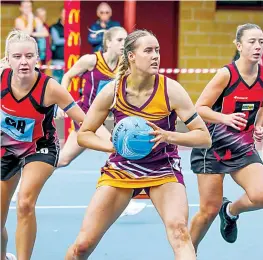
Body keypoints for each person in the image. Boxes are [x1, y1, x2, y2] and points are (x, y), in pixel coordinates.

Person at [65, 29, 211, 260]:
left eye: (158, 50)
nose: (156, 56)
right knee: (82, 246)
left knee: (180, 232)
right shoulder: (112, 91)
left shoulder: (171, 90)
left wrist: (168, 136)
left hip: (163, 168)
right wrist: (113, 147)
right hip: (122, 168)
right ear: (131, 56)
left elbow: (204, 137)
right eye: (148, 51)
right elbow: (84, 135)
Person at [0, 30, 85, 260]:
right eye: (17, 56)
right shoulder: (0, 80)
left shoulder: (51, 88)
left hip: (41, 148)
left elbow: (84, 120)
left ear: (38, 58)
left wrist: (110, 140)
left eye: (29, 56)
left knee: (25, 202)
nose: (24, 61)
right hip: (7, 147)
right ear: (8, 60)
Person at [57, 26, 147, 217]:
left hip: (103, 119)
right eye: (120, 40)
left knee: (63, 159)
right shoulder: (91, 60)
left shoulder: (123, 66)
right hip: (85, 114)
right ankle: (122, 199)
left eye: (126, 40)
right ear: (108, 43)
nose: (124, 44)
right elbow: (67, 76)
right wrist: (62, 103)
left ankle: (25, 172)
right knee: (116, 148)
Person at [190, 23, 263, 254]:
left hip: (241, 146)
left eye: (261, 42)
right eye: (252, 41)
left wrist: (259, 125)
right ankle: (187, 252)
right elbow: (199, 108)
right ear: (239, 45)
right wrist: (225, 118)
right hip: (212, 147)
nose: (258, 46)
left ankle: (230, 211)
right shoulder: (226, 75)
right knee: (208, 211)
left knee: (261, 195)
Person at [50, 8, 65, 83]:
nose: (65, 15)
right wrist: (70, 40)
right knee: (56, 83)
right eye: (64, 13)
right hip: (57, 60)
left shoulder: (73, 28)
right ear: (60, 14)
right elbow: (57, 41)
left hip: (69, 60)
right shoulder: (54, 27)